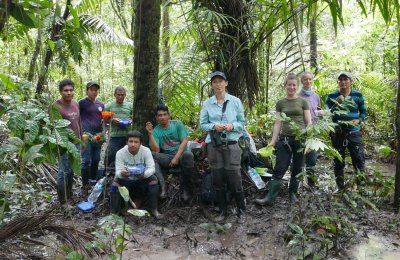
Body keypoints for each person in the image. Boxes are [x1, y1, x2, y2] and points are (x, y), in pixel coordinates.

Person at [255, 73, 311, 206]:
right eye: (289, 85)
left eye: (294, 85)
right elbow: (278, 123)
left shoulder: (303, 102)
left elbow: (308, 122)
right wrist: (273, 141)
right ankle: (270, 198)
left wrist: (308, 139)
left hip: (300, 138)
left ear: (297, 87)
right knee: (280, 168)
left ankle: (293, 194)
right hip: (285, 139)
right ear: (285, 86)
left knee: (297, 168)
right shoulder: (280, 103)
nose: (291, 87)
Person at [200, 71, 247, 224]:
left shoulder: (235, 101)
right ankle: (222, 212)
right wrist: (214, 126)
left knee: (235, 179)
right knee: (217, 179)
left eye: (221, 81)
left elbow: (242, 122)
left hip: (232, 144)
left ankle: (242, 212)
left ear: (226, 83)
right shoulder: (207, 104)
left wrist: (231, 126)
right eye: (215, 82)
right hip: (214, 146)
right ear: (212, 85)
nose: (218, 84)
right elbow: (203, 124)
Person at [326, 71, 366, 191]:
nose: (343, 82)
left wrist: (358, 120)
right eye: (340, 79)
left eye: (346, 79)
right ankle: (340, 188)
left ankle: (361, 188)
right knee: (338, 161)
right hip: (338, 133)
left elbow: (363, 112)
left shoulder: (357, 95)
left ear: (351, 81)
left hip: (354, 133)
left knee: (359, 160)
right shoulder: (331, 96)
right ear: (338, 82)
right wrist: (336, 104)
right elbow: (328, 114)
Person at [145, 105, 194, 200]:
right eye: (160, 115)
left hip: (181, 155)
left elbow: (184, 141)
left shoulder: (177, 124)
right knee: (151, 155)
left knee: (188, 155)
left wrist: (176, 157)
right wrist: (150, 134)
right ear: (156, 118)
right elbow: (156, 150)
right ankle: (162, 187)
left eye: (165, 114)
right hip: (167, 157)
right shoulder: (156, 130)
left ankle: (185, 189)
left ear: (169, 115)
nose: (162, 117)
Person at [110, 131, 162, 219]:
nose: (133, 144)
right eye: (130, 141)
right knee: (115, 183)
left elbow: (152, 168)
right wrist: (122, 174)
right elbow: (117, 172)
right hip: (126, 179)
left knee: (153, 180)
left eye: (136, 142)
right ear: (127, 142)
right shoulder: (120, 153)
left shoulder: (146, 151)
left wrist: (144, 175)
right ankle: (114, 212)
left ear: (140, 143)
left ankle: (154, 210)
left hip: (141, 179)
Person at [52, 79, 82, 206]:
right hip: (63, 144)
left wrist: (81, 140)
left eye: (71, 90)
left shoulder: (76, 103)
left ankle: (69, 194)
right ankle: (63, 200)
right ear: (60, 92)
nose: (69, 93)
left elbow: (79, 122)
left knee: (72, 170)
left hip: (76, 142)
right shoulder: (55, 106)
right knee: (63, 171)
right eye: (66, 90)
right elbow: (53, 127)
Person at [299, 71, 323, 187]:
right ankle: (298, 184)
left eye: (310, 79)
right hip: (300, 131)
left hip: (313, 132)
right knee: (299, 159)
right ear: (302, 81)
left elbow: (317, 111)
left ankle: (311, 184)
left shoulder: (316, 96)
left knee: (312, 159)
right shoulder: (297, 96)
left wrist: (322, 114)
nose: (308, 81)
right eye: (305, 79)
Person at [79, 81, 105, 188]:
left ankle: (93, 180)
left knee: (96, 159)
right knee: (86, 161)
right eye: (91, 90)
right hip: (86, 135)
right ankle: (85, 184)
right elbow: (76, 117)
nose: (94, 92)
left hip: (98, 135)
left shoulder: (101, 104)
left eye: (96, 90)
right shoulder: (81, 103)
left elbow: (103, 119)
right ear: (87, 91)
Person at [104, 86, 133, 172]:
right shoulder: (109, 106)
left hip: (127, 135)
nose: (120, 97)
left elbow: (134, 118)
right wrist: (112, 120)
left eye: (122, 95)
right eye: (118, 95)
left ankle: (124, 172)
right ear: (114, 95)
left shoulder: (130, 106)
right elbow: (103, 119)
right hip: (114, 135)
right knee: (111, 154)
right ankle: (108, 173)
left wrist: (130, 121)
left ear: (125, 95)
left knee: (126, 155)